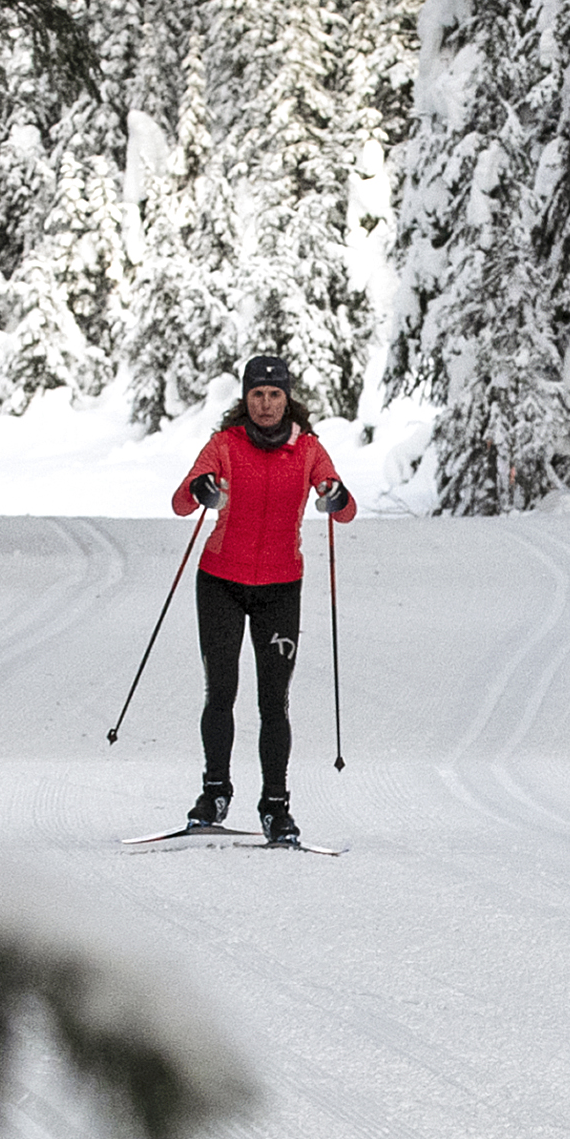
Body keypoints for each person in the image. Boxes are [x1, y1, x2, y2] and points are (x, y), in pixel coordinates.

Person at [167, 350, 357, 841]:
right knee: (221, 692)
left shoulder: (308, 449)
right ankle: (214, 793)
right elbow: (181, 502)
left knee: (274, 702)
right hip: (220, 584)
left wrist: (335, 495)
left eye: (275, 395)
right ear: (245, 398)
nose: (267, 404)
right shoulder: (224, 445)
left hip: (279, 588)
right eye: (257, 395)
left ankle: (276, 806)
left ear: (287, 398)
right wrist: (202, 486)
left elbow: (344, 507)